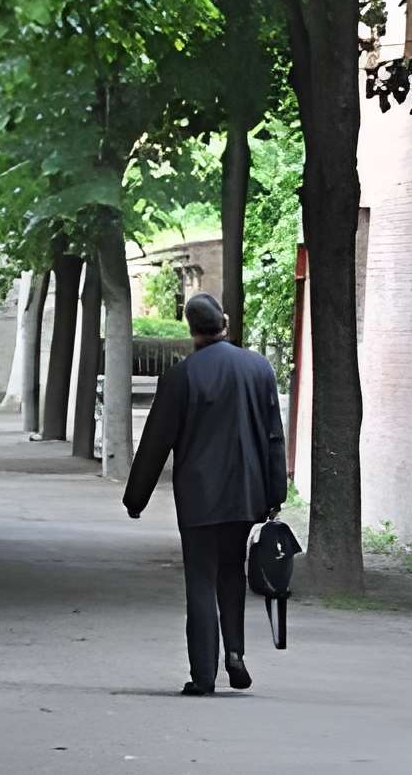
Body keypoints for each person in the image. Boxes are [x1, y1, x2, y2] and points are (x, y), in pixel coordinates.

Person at [121, 291, 287, 696]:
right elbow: (273, 436)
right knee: (232, 572)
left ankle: (203, 675)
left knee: (200, 578)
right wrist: (275, 492)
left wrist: (136, 498)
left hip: (198, 496)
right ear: (224, 322)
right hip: (246, 493)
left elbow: (156, 442)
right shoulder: (258, 368)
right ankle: (235, 654)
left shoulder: (181, 376)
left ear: (191, 329)